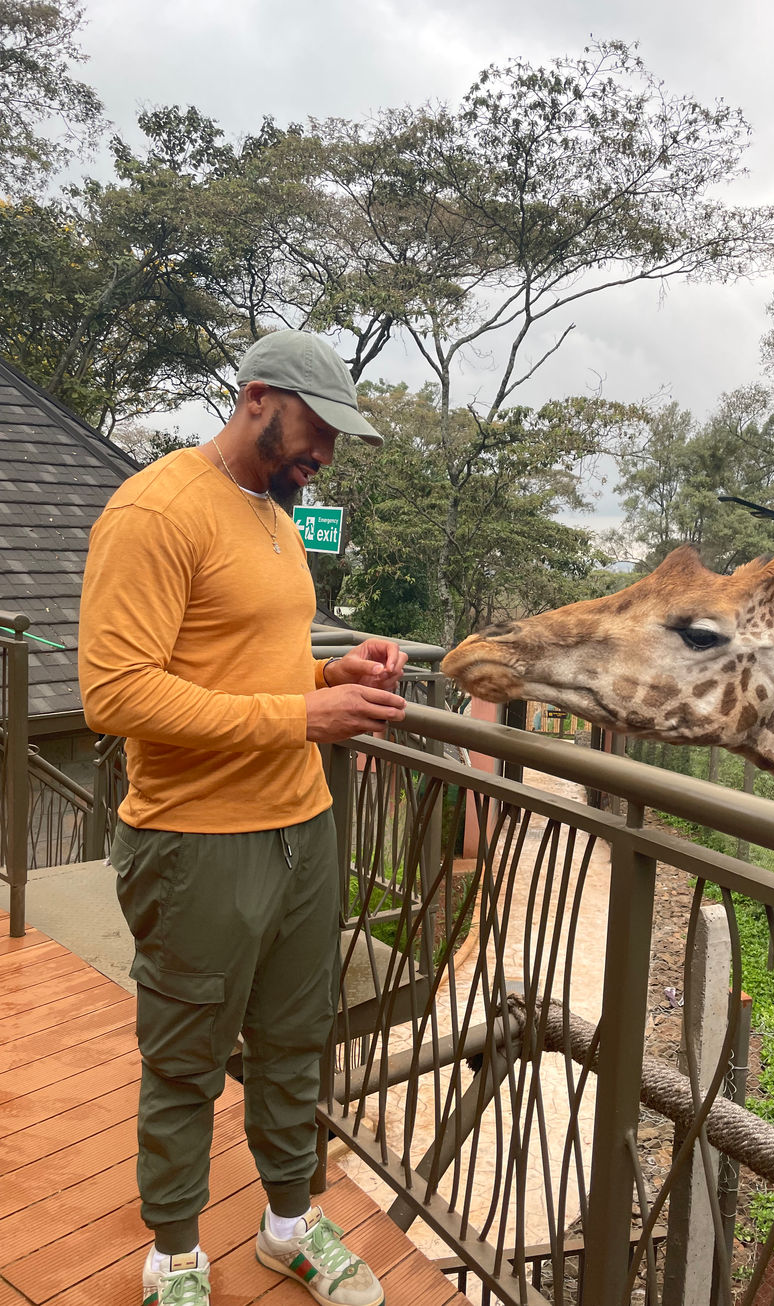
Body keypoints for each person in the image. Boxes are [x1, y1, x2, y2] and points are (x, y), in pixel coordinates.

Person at [78, 330, 409, 1306]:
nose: (328, 454)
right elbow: (115, 692)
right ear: (258, 397)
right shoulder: (155, 510)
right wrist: (302, 714)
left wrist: (326, 674)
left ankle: (288, 1229)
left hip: (300, 826)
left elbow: (240, 663)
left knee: (293, 1043)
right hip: (194, 841)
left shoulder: (270, 512)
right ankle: (174, 1256)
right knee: (183, 1060)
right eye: (318, 428)